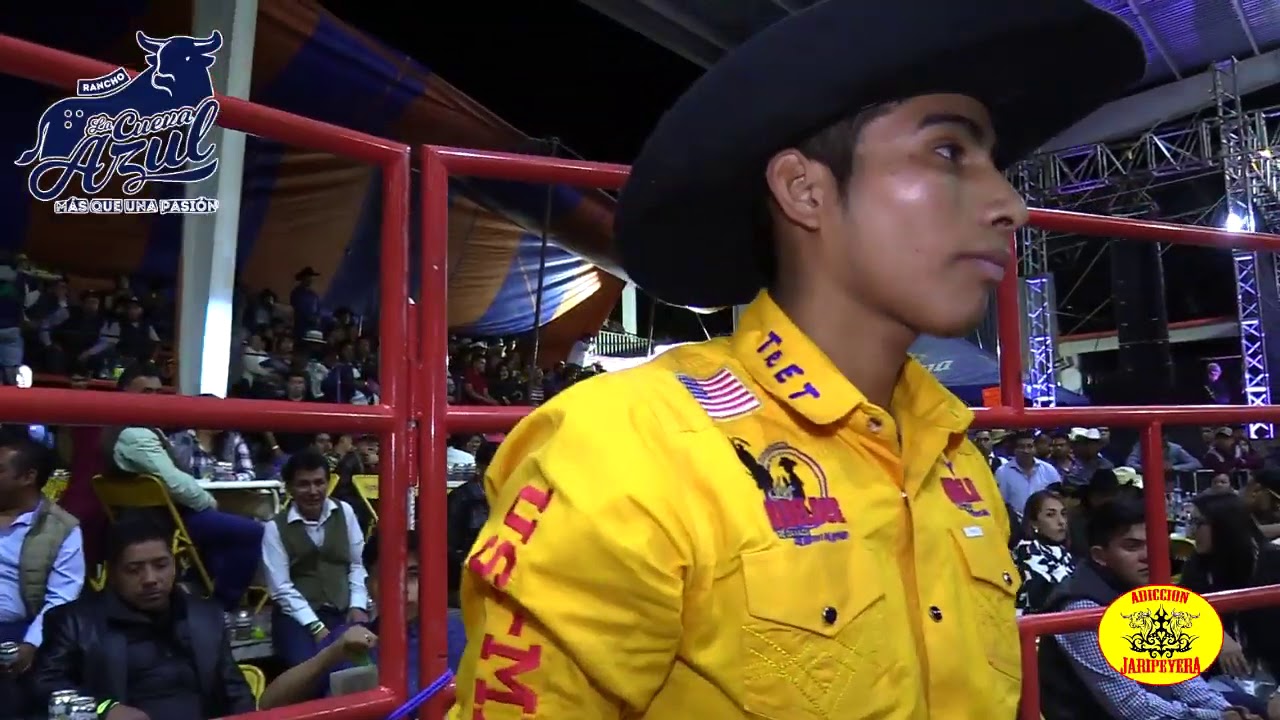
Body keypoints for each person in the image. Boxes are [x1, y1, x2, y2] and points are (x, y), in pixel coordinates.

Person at [449, 1, 1146, 718]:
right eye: (948, 152)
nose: (1009, 204)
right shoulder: (623, 449)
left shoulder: (956, 459)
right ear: (804, 190)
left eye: (995, 165)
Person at [1037, 499, 1245, 719]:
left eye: (1153, 543)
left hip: (1159, 706)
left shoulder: (1138, 589)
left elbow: (1179, 675)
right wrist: (1218, 718)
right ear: (1100, 556)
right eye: (1132, 546)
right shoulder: (1082, 608)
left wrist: (1227, 711)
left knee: (1250, 705)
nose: (1148, 555)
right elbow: (1131, 705)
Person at [31, 516, 254, 720]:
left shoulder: (205, 615)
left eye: (161, 565)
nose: (150, 579)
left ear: (174, 564)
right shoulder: (74, 622)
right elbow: (43, 686)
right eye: (134, 570)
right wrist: (103, 708)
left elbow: (235, 691)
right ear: (113, 574)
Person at [257, 530, 467, 708]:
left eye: (413, 575)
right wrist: (329, 656)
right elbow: (269, 704)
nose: (402, 587)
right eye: (388, 575)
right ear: (369, 587)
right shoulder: (346, 641)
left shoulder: (461, 637)